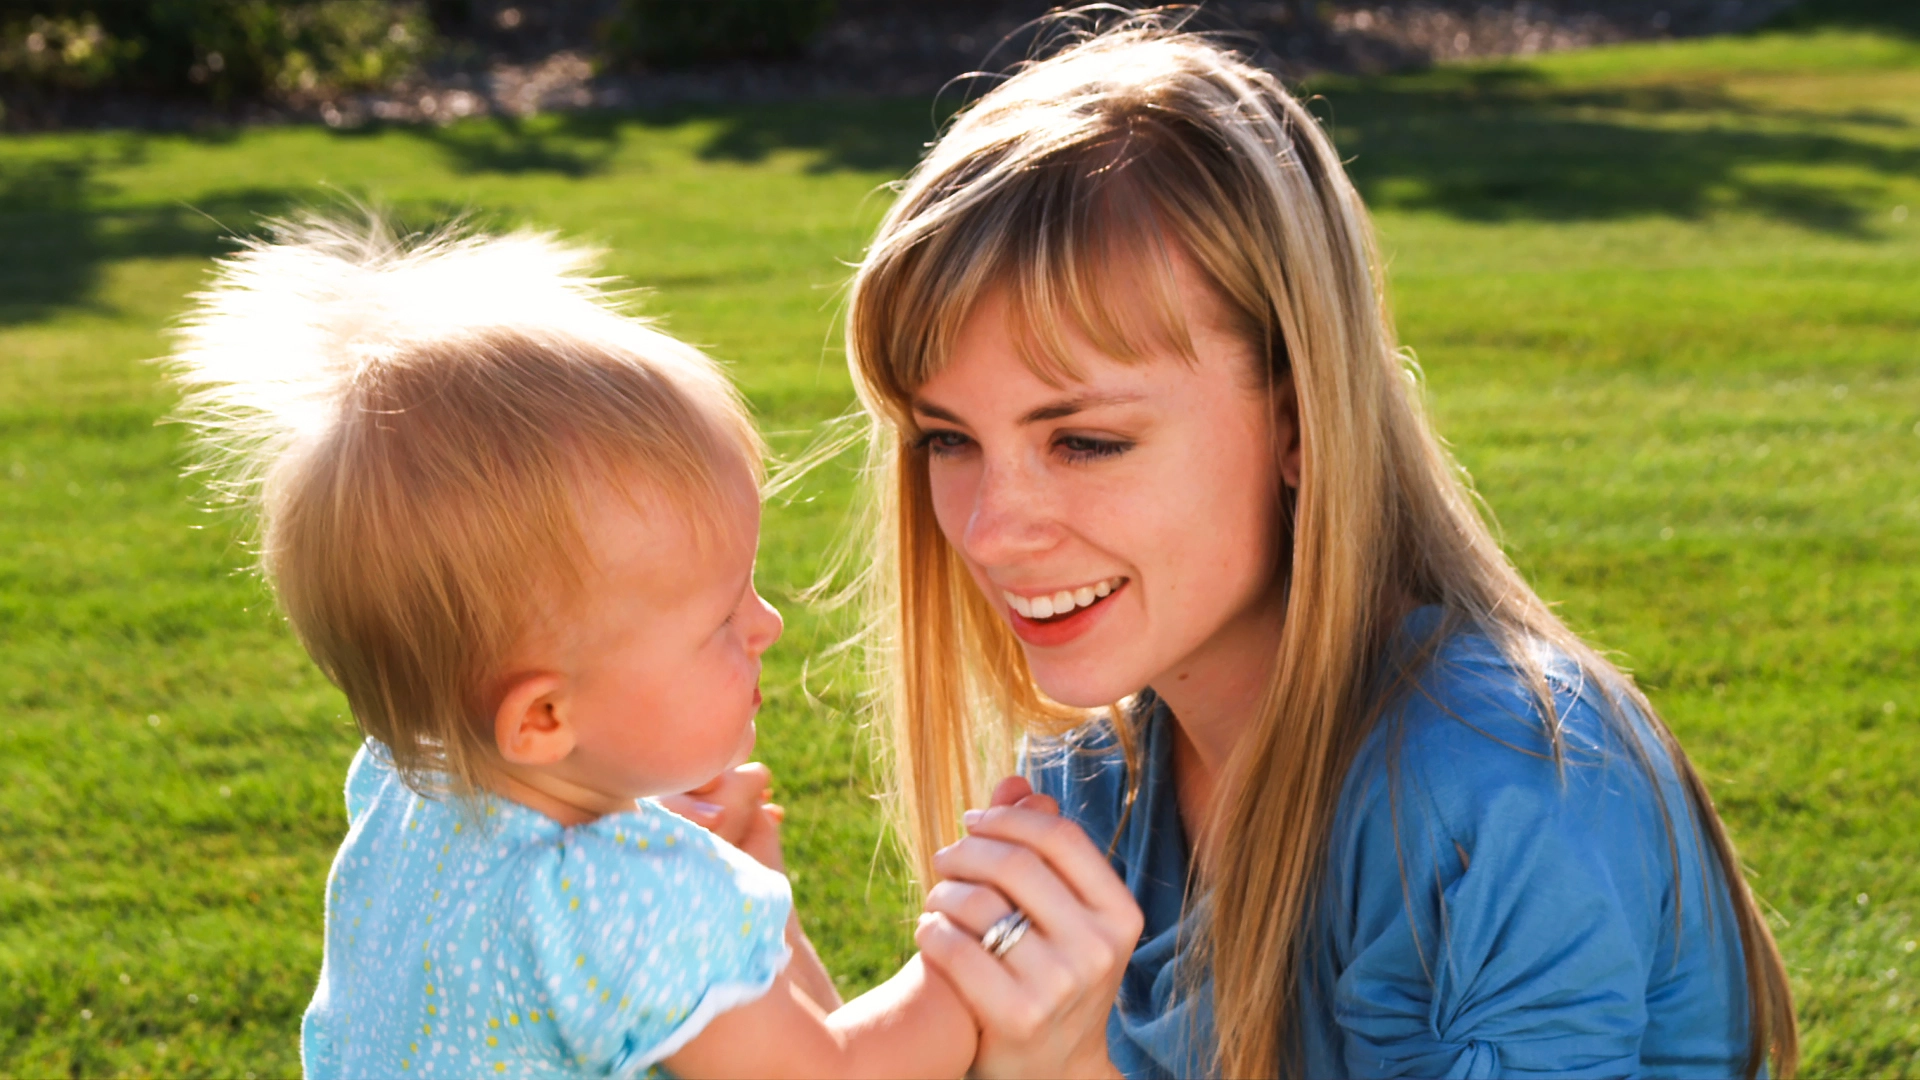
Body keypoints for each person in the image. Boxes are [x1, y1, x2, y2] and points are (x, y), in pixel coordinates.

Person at [839, 16, 1800, 1079]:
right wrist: (732, 963)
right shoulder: (1090, 782)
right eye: (948, 440)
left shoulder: (1494, 789)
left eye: (1087, 440)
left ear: (1298, 423)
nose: (991, 529)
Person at [167, 216, 976, 1079]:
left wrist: (753, 917)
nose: (766, 624)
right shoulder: (619, 895)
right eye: (717, 621)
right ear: (545, 717)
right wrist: (973, 964)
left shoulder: (410, 792)